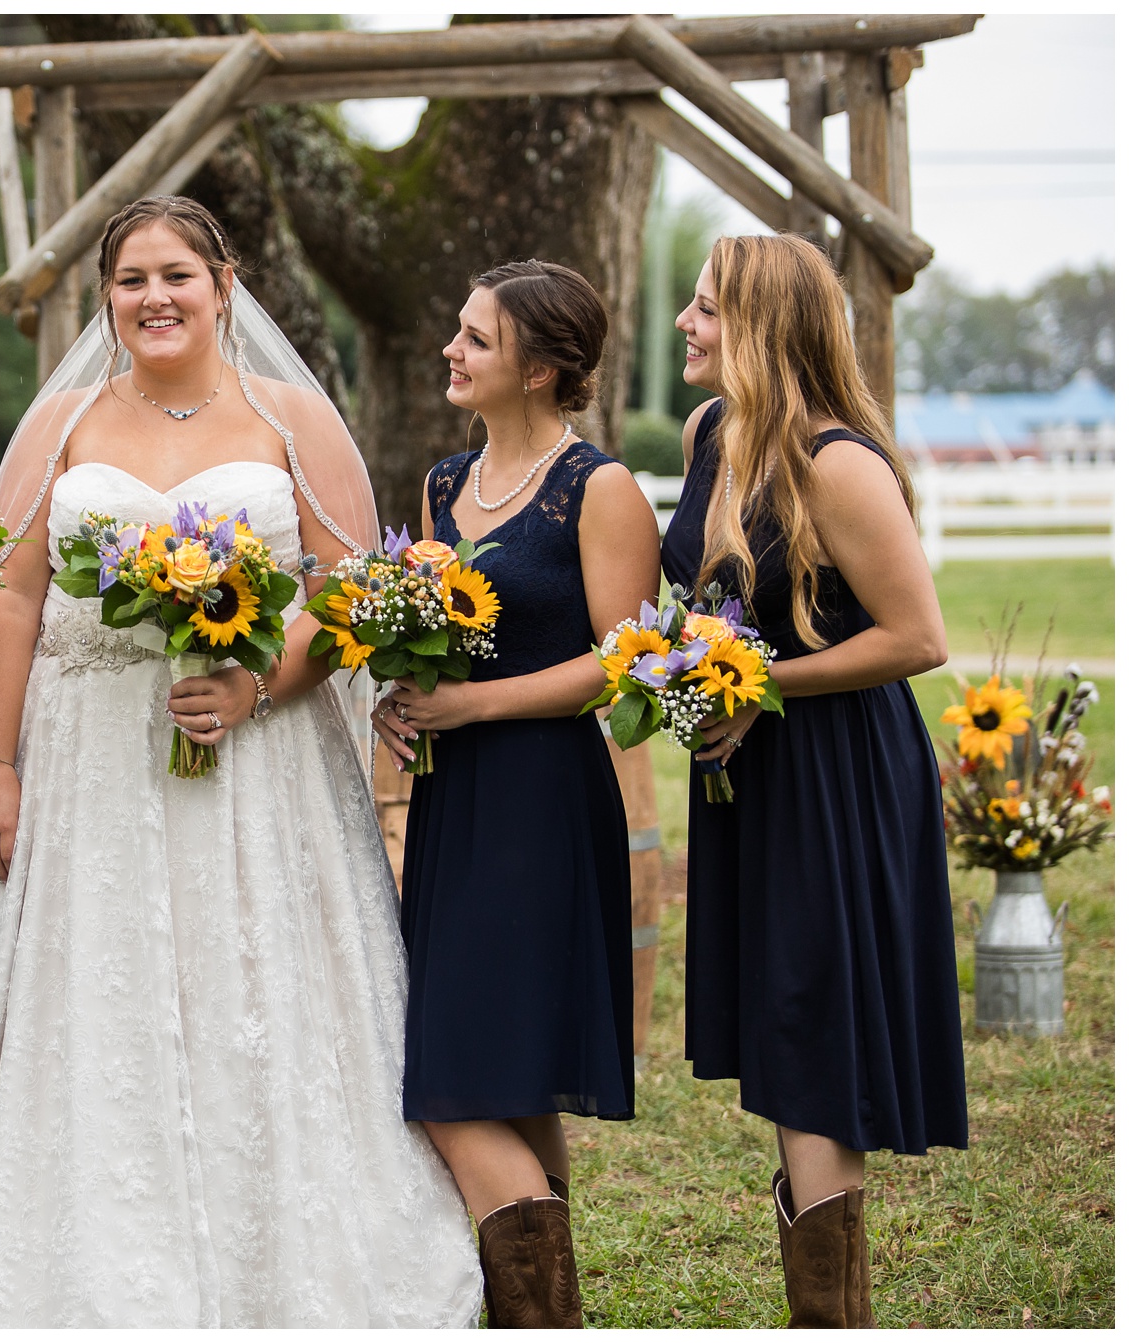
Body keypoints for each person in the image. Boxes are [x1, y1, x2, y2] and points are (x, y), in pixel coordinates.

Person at [0, 196, 481, 1327]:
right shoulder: (59, 427)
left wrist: (257, 680)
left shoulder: (292, 417)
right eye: (130, 278)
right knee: (94, 994)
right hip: (87, 755)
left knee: (259, 995)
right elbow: (7, 597)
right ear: (105, 298)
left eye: (175, 274)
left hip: (262, 768)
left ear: (224, 281)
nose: (153, 296)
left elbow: (350, 589)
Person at [665, 233, 964, 1327]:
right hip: (747, 766)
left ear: (755, 327)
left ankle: (829, 1318)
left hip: (836, 769)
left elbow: (916, 636)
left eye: (702, 310)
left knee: (809, 1028)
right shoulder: (708, 432)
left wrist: (761, 686)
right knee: (779, 1017)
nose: (686, 326)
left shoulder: (837, 461)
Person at [372, 261, 656, 1327]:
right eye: (457, 330)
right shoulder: (443, 484)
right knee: (504, 1072)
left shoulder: (599, 488)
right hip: (452, 796)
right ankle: (544, 1312)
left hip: (540, 797)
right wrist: (401, 693)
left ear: (538, 369)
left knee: (452, 1076)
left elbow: (623, 659)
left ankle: (538, 1313)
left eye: (475, 338)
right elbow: (436, 636)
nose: (451, 349)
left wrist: (475, 709)